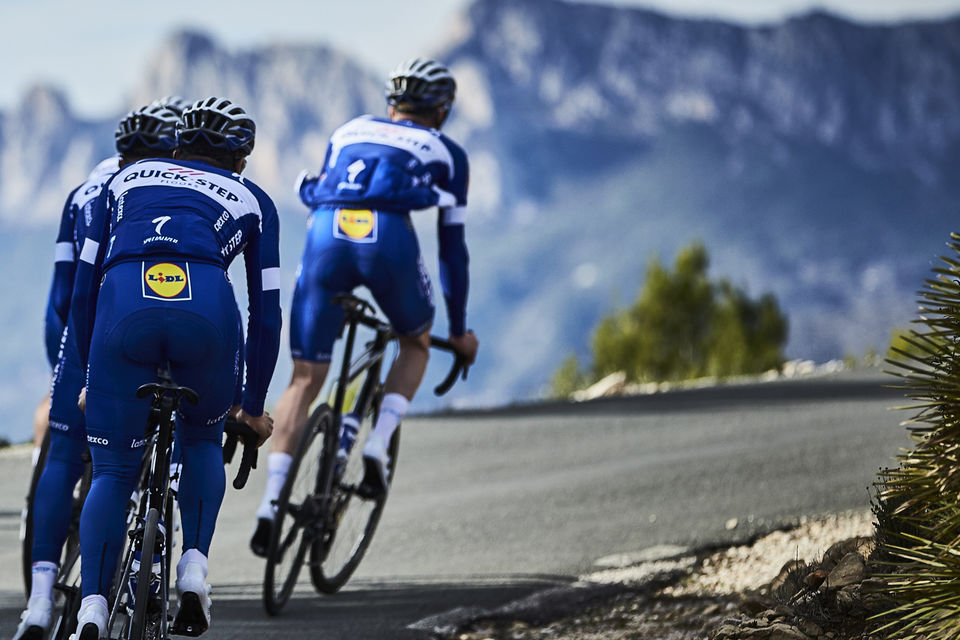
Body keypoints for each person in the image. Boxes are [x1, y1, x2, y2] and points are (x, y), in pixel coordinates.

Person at [68, 96, 281, 640]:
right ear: (240, 157)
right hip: (207, 312)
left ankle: (91, 609)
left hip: (123, 304)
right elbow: (267, 312)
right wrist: (251, 408)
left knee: (113, 472)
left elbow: (83, 287)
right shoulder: (253, 199)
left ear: (178, 142)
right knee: (205, 441)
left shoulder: (122, 180)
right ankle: (192, 573)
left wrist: (92, 379)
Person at [250, 57, 478, 554]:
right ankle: (378, 441)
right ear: (440, 111)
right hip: (388, 240)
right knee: (414, 343)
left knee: (304, 378)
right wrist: (458, 330)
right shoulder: (450, 152)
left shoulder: (349, 128)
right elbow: (453, 250)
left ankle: (271, 502)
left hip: (326, 233)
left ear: (393, 105)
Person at [13, 102, 183, 640]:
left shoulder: (84, 191)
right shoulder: (174, 187)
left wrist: (61, 370)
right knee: (133, 464)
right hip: (153, 334)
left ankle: (38, 605)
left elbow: (62, 295)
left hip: (82, 343)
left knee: (63, 455)